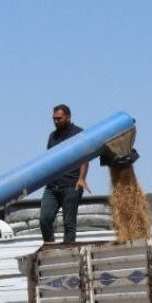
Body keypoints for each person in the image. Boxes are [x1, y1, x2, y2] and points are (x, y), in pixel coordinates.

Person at [39, 104, 89, 244]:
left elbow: (84, 157)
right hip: (52, 186)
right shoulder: (52, 137)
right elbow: (49, 159)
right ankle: (50, 246)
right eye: (54, 119)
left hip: (71, 185)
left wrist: (82, 179)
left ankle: (67, 252)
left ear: (68, 117)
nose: (56, 121)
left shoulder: (78, 133)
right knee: (45, 219)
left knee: (69, 224)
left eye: (59, 119)